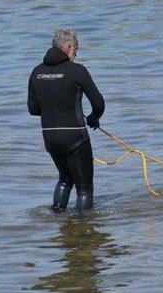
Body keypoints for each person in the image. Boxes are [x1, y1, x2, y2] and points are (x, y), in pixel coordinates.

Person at [28, 29, 105, 212]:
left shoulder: (37, 72)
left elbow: (33, 109)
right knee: (84, 189)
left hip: (50, 138)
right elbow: (99, 103)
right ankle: (83, 231)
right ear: (69, 47)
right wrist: (94, 118)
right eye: (76, 50)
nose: (76, 55)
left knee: (65, 178)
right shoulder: (77, 71)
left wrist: (54, 111)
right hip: (75, 137)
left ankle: (57, 215)